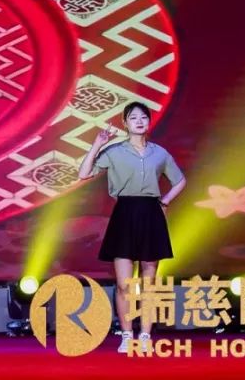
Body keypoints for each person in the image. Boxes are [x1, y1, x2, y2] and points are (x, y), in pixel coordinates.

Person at [78, 102, 186, 354]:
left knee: (149, 281)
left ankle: (145, 334)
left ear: (149, 122)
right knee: (125, 284)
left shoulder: (160, 153)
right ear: (125, 123)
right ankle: (127, 335)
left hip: (151, 214)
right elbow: (84, 173)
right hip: (125, 214)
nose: (139, 121)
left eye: (143, 117)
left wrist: (165, 201)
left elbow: (180, 180)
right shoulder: (115, 151)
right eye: (133, 117)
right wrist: (97, 144)